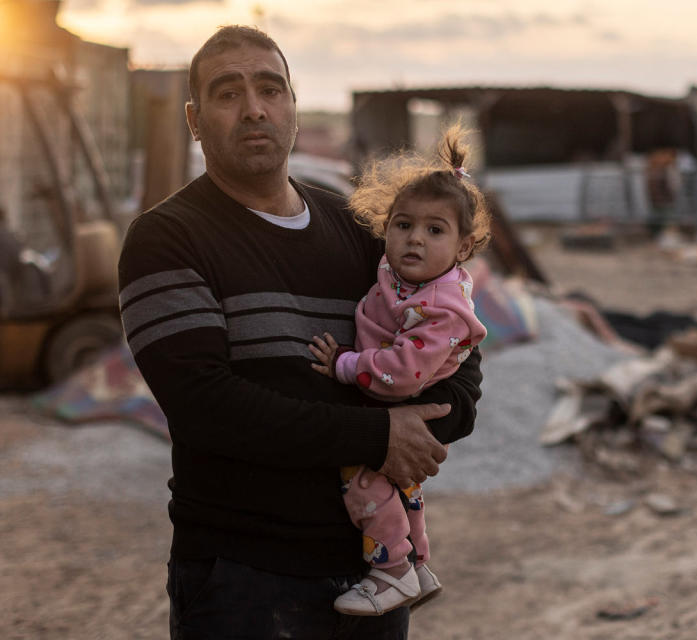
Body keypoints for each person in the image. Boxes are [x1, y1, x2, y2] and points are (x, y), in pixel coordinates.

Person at [117, 25, 482, 640]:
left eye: (270, 88)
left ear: (292, 103)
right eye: (228, 92)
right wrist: (377, 432)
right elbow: (206, 405)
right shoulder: (167, 238)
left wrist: (437, 420)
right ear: (194, 119)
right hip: (245, 577)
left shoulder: (358, 226)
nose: (255, 107)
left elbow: (452, 334)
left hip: (371, 570)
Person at [307, 126, 490, 616]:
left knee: (364, 481)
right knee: (402, 489)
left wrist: (345, 365)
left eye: (435, 230)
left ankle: (391, 570)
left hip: (396, 400)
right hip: (390, 403)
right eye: (403, 225)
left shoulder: (443, 306)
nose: (414, 240)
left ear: (463, 248)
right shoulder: (403, 278)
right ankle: (419, 565)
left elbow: (404, 373)